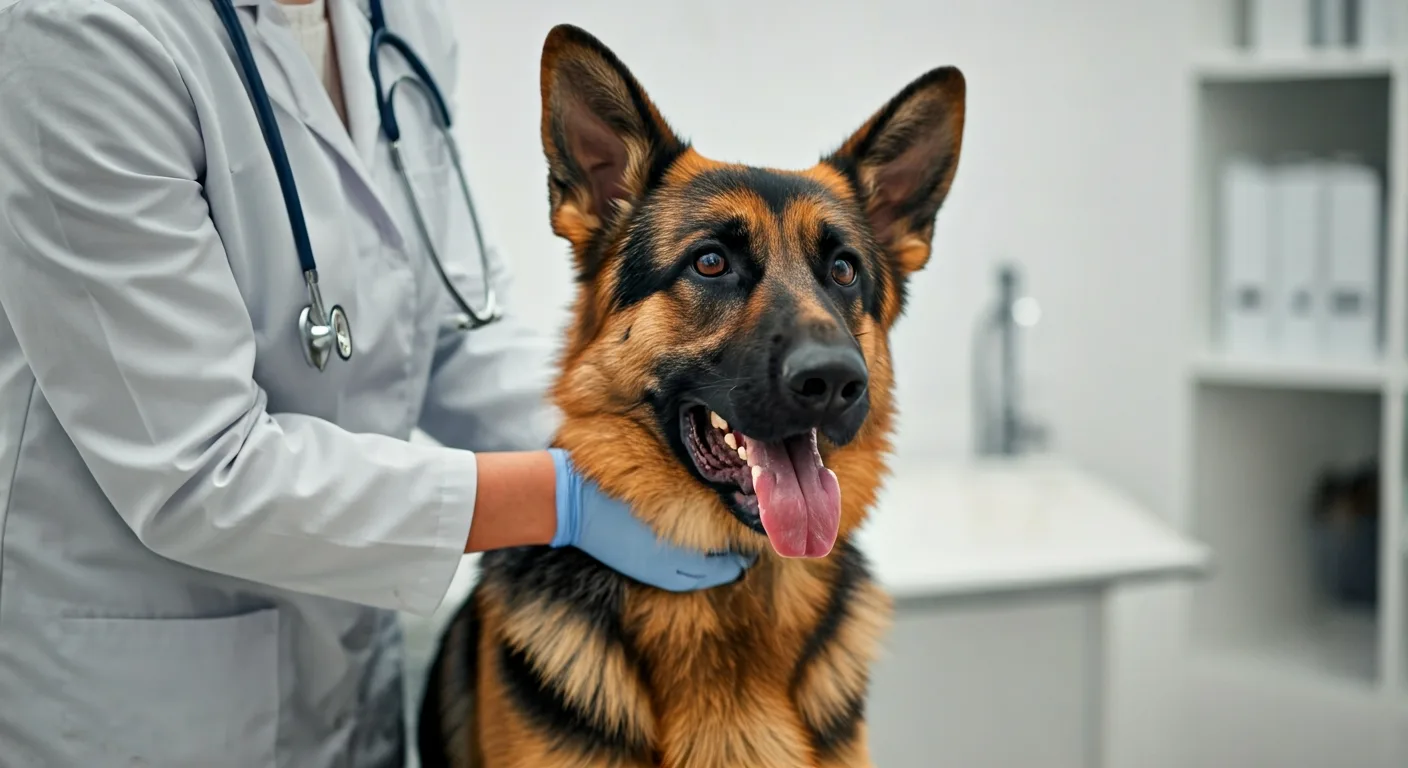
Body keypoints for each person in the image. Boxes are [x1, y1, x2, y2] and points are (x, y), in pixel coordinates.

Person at [0, 0, 751, 765]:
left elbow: (454, 328)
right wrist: (561, 499)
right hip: (145, 691)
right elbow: (199, 468)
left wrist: (651, 453)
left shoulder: (401, 20)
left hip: (348, 665)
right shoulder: (83, 31)